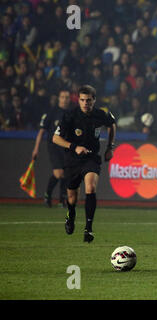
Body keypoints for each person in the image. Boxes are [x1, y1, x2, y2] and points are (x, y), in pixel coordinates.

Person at [53, 85, 116, 243]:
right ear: (78, 100)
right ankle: (71, 213)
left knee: (90, 187)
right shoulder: (70, 116)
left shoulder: (100, 114)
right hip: (72, 159)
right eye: (82, 100)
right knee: (72, 197)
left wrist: (110, 147)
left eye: (88, 100)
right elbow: (55, 138)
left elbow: (112, 124)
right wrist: (75, 147)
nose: (85, 103)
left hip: (91, 158)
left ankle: (88, 228)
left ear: (94, 100)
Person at [32, 89, 71, 207]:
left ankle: (62, 199)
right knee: (59, 173)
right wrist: (36, 149)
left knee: (66, 173)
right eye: (63, 97)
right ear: (59, 98)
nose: (65, 99)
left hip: (66, 146)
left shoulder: (71, 113)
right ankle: (48, 194)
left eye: (67, 97)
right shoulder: (51, 112)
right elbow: (41, 132)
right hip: (53, 146)